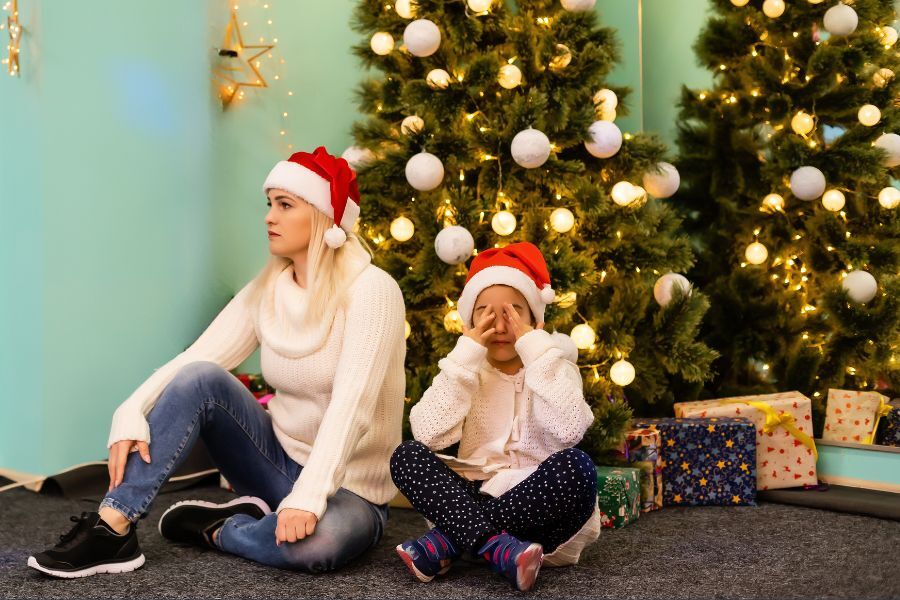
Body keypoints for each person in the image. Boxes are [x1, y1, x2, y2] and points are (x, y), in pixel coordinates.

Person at [27, 146, 407, 578]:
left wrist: (308, 497)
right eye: (270, 205)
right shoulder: (269, 287)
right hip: (276, 464)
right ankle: (112, 528)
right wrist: (130, 410)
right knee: (200, 379)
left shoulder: (374, 291)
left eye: (285, 205)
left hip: (351, 490)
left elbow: (352, 407)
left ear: (323, 218)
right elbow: (198, 360)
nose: (269, 217)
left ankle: (220, 527)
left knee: (320, 545)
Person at [389, 242, 601, 592]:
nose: (500, 325)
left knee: (577, 467)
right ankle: (496, 547)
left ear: (536, 320)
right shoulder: (465, 370)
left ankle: (447, 545)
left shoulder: (555, 369)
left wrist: (535, 352)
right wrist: (466, 359)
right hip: (470, 498)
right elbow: (428, 434)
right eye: (486, 314)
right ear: (470, 323)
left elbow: (570, 430)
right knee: (406, 456)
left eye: (513, 312)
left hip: (540, 514)